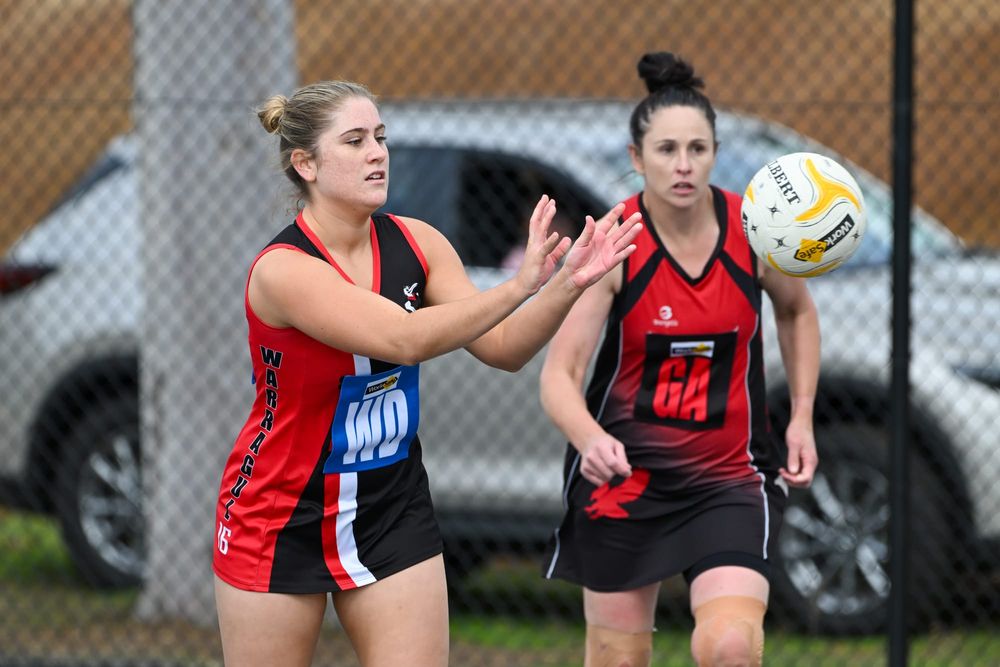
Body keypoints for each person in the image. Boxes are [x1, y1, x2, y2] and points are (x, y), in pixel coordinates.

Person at [210, 80, 642, 667]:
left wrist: (566, 284)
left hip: (391, 504)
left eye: (381, 138)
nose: (377, 153)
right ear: (305, 163)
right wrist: (518, 284)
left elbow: (503, 348)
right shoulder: (284, 271)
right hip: (281, 510)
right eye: (356, 141)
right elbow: (403, 339)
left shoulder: (419, 243)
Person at [539, 52, 820, 667]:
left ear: (717, 152)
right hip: (624, 477)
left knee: (728, 647)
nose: (684, 165)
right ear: (637, 159)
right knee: (617, 658)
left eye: (698, 148)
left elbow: (798, 312)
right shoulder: (615, 244)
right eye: (667, 150)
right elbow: (559, 378)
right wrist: (588, 439)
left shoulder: (756, 231)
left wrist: (800, 416)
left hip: (728, 478)